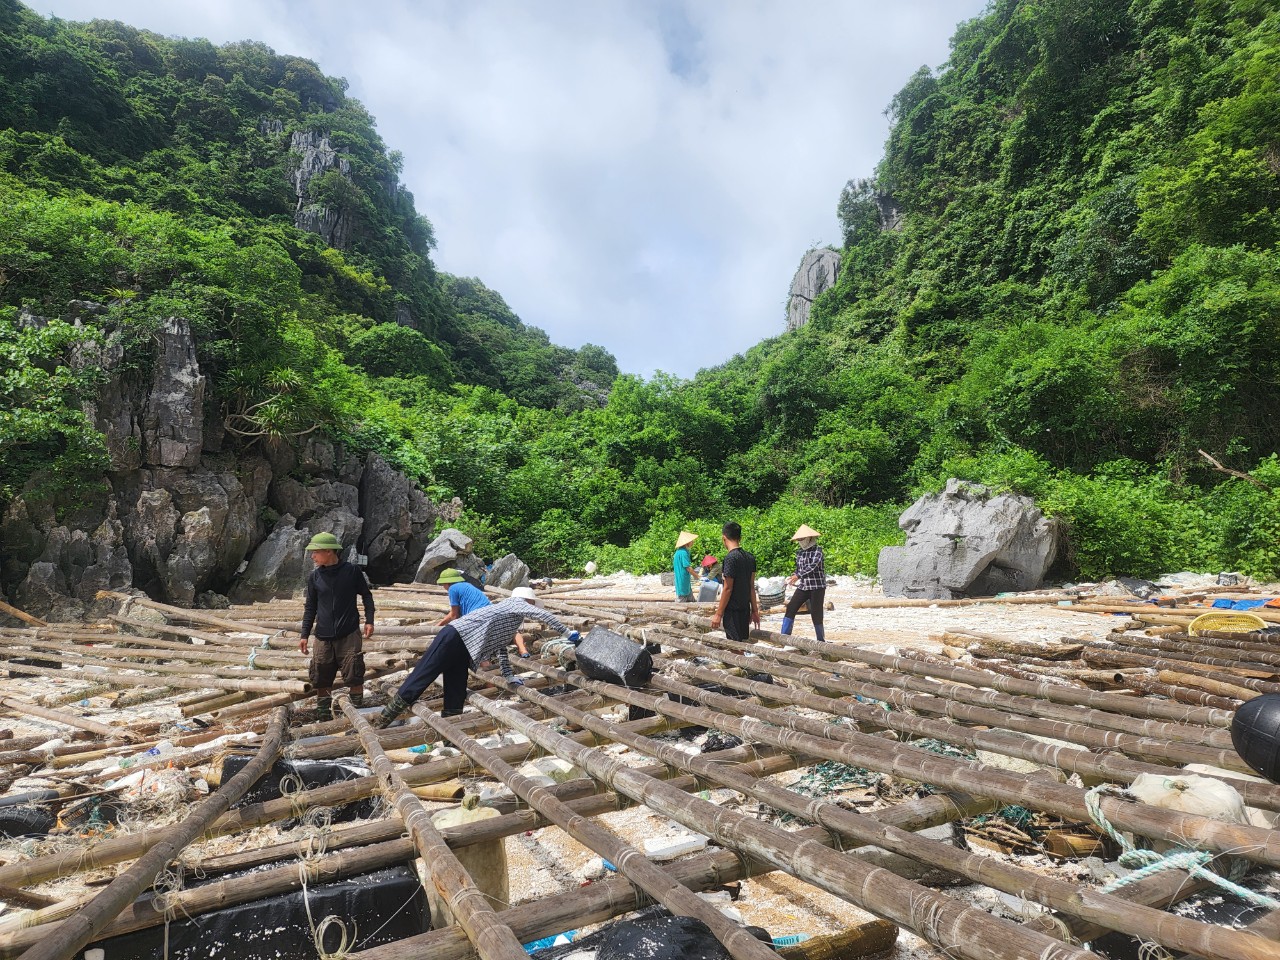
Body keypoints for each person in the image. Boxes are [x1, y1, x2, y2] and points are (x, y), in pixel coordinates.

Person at [374, 586, 579, 727]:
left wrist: (509, 676)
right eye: (531, 603)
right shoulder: (515, 603)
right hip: (454, 635)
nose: (531, 607)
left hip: (465, 646)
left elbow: (501, 649)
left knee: (456, 687)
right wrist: (568, 633)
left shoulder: (511, 617)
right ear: (527, 600)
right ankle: (383, 720)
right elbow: (545, 616)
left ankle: (450, 730)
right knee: (423, 675)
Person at [299, 532, 375, 721]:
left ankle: (356, 715)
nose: (312, 556)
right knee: (320, 678)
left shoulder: (352, 571)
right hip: (322, 636)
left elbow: (366, 595)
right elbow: (310, 608)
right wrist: (304, 634)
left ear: (329, 551)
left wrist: (369, 620)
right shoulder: (314, 577)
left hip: (349, 634)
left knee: (354, 675)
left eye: (315, 552)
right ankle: (324, 718)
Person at [709, 522, 759, 642]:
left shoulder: (730, 558)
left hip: (733, 610)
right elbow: (751, 586)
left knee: (735, 646)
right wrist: (755, 611)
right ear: (740, 538)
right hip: (745, 608)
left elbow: (727, 588)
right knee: (740, 643)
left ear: (724, 538)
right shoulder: (750, 557)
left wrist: (718, 614)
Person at [783, 524, 826, 642]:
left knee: (816, 613)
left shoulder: (818, 551)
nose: (800, 541)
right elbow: (799, 568)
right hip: (804, 586)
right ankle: (784, 637)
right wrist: (792, 576)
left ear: (809, 538)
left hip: (817, 586)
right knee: (791, 607)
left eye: (801, 539)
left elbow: (813, 566)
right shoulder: (799, 552)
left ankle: (821, 640)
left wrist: (798, 575)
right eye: (798, 539)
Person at [673, 530, 698, 602]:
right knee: (682, 598)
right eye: (691, 541)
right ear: (687, 542)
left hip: (684, 579)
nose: (693, 542)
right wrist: (696, 576)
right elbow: (688, 568)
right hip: (682, 578)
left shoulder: (681, 551)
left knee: (689, 596)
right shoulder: (683, 553)